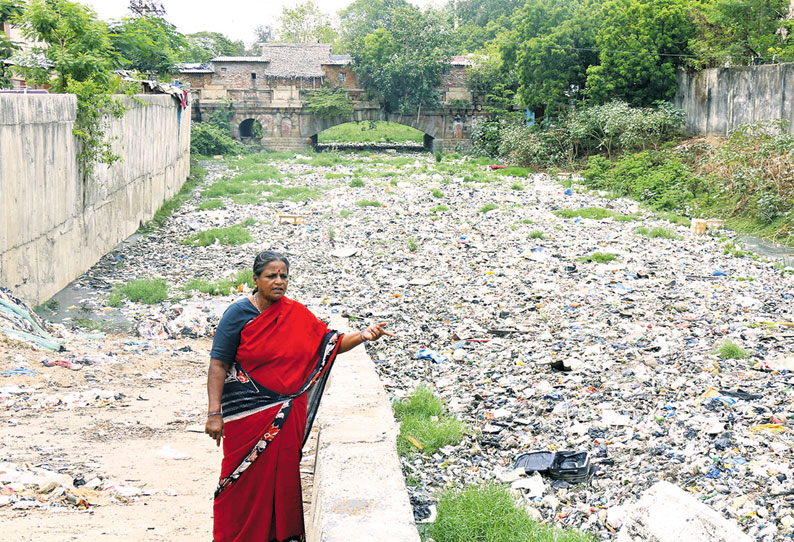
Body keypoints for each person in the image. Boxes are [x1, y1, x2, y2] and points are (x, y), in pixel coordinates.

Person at [204, 250, 394, 542]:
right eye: (271, 276)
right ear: (255, 280)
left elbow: (328, 343)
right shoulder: (238, 315)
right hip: (246, 418)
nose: (278, 282)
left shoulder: (296, 313)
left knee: (282, 482)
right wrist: (214, 413)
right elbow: (218, 363)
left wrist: (362, 335)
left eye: (284, 276)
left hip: (286, 417)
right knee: (237, 483)